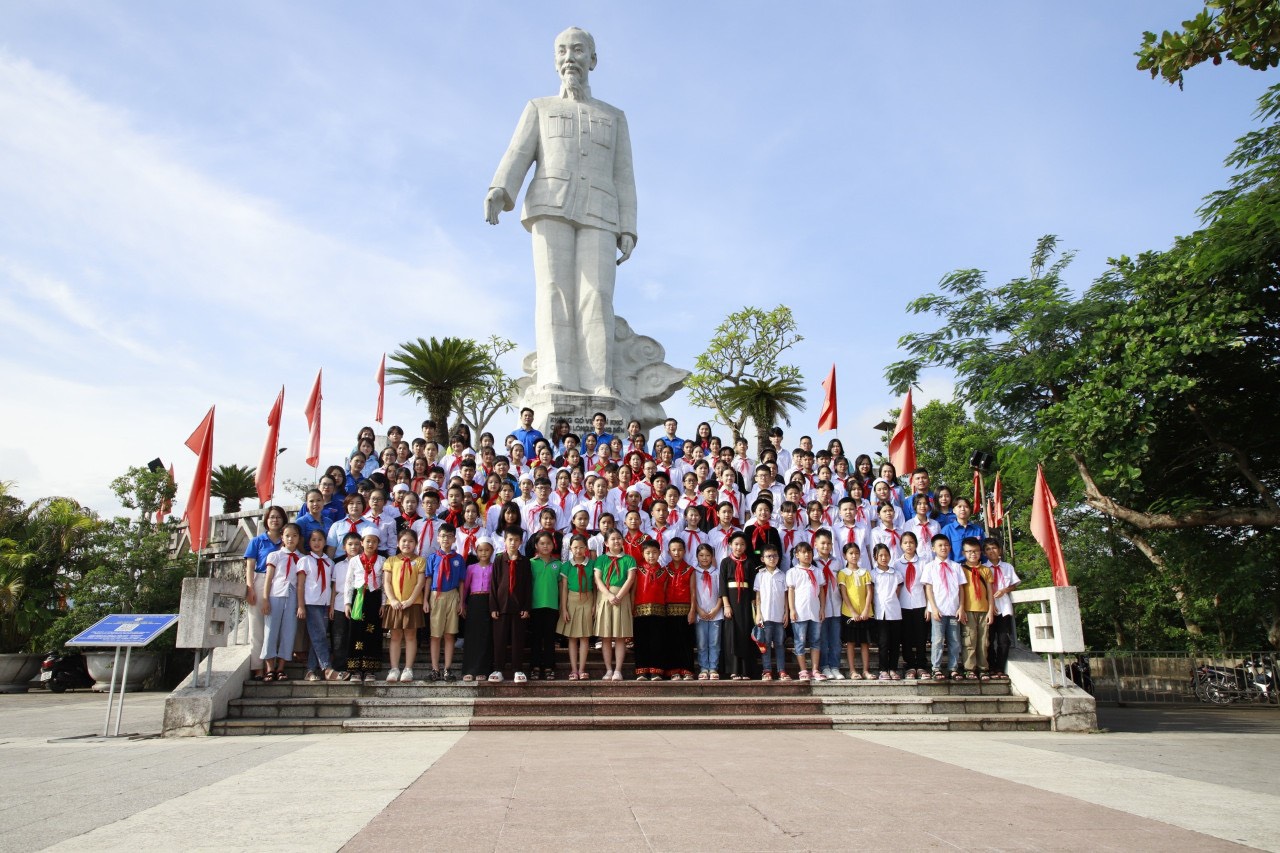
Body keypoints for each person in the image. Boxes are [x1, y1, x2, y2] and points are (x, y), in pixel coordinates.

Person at [485, 27, 637, 396]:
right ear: (555, 60)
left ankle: (599, 380)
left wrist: (629, 227)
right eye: (563, 51)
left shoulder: (613, 116)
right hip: (550, 203)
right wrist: (500, 188)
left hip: (601, 210)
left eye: (579, 50)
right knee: (553, 290)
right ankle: (556, 375)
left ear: (593, 60)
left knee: (597, 294)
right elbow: (518, 152)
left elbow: (624, 174)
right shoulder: (540, 107)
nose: (570, 57)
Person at [243, 505, 287, 681]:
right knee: (257, 628)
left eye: (278, 517)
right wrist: (250, 587)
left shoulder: (286, 541)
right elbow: (250, 566)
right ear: (266, 521)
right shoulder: (257, 541)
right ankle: (257, 667)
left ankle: (275, 667)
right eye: (271, 517)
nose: (275, 520)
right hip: (260, 581)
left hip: (281, 583)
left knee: (276, 627)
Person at [260, 522, 307, 683]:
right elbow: (269, 579)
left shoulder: (302, 558)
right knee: (271, 631)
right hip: (276, 594)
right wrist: (265, 598)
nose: (291, 539)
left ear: (299, 538)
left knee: (289, 631)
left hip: (292, 595)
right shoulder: (275, 555)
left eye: (294, 536)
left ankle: (281, 667)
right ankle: (269, 668)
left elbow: (301, 583)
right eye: (287, 535)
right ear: (282, 537)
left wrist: (300, 604)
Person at [299, 529, 345, 681]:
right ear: (309, 543)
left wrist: (331, 605)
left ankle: (310, 670)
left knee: (317, 637)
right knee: (319, 636)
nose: (317, 543)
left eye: (320, 540)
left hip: (325, 603)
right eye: (313, 540)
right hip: (311, 603)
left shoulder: (330, 562)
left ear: (325, 542)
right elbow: (300, 585)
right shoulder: (305, 561)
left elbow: (333, 587)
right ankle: (327, 668)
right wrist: (300, 605)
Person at [490, 527, 533, 683]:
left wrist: (526, 607)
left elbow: (528, 586)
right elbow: (493, 584)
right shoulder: (499, 559)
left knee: (518, 639)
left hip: (519, 607)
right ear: (505, 541)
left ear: (521, 542)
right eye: (510, 540)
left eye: (516, 540)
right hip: (500, 607)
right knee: (499, 639)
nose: (513, 543)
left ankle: (518, 669)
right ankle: (498, 669)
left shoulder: (525, 561)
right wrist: (493, 607)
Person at [424, 524, 466, 682]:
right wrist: (425, 600)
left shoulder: (458, 559)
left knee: (450, 634)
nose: (446, 539)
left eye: (449, 536)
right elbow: (428, 579)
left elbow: (462, 582)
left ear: (454, 538)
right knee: (435, 635)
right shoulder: (433, 557)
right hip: (436, 595)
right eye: (443, 536)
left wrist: (461, 602)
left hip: (452, 595)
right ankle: (435, 669)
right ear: (437, 538)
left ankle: (447, 669)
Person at [593, 529, 637, 680]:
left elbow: (630, 579)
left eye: (619, 538)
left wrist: (618, 595)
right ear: (606, 543)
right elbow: (598, 579)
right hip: (605, 597)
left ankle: (618, 670)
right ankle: (608, 669)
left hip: (622, 597)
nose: (616, 541)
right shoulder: (601, 559)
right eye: (613, 539)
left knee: (620, 636)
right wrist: (610, 595)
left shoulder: (629, 559)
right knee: (606, 636)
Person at [383, 529, 426, 683]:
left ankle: (408, 668)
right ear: (398, 543)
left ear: (416, 544)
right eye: (404, 541)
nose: (407, 544)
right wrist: (393, 600)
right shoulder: (391, 560)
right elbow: (387, 582)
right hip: (394, 604)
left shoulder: (420, 561)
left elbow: (420, 583)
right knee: (395, 636)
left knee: (410, 635)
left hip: (413, 603)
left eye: (411, 541)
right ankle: (394, 668)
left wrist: (410, 600)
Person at [923, 534, 967, 680]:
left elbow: (961, 589)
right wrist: (933, 608)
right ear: (933, 548)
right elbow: (928, 589)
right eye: (940, 545)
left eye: (946, 545)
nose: (943, 548)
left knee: (955, 641)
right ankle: (936, 668)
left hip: (954, 610)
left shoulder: (956, 566)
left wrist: (961, 607)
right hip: (938, 611)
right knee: (937, 640)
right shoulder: (929, 567)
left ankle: (953, 668)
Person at [344, 530, 386, 682]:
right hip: (359, 597)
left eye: (374, 541)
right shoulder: (354, 560)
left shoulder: (382, 560)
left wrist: (383, 603)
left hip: (374, 597)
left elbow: (384, 585)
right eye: (368, 541)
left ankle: (370, 669)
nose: (370, 544)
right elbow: (348, 582)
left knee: (373, 632)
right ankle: (355, 669)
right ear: (362, 542)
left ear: (377, 544)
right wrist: (347, 603)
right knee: (356, 632)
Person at [719, 532, 760, 681]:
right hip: (731, 601)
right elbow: (722, 585)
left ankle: (745, 670)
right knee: (732, 635)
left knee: (745, 634)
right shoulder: (725, 562)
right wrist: (726, 605)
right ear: (730, 545)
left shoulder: (749, 563)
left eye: (742, 544)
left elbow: (754, 587)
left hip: (746, 603)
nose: (739, 547)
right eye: (736, 544)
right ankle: (733, 670)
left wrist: (754, 605)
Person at [786, 537, 826, 681]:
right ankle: (803, 670)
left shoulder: (817, 571)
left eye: (809, 552)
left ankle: (815, 669)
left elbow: (821, 591)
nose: (807, 555)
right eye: (803, 552)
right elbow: (791, 591)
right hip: (800, 612)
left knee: (815, 640)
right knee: (800, 641)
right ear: (797, 555)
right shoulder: (792, 572)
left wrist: (822, 609)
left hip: (814, 611)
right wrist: (792, 609)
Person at [559, 534, 596, 680]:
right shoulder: (566, 566)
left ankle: (582, 669)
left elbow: (596, 587)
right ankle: (574, 669)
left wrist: (594, 605)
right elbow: (564, 590)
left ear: (586, 548)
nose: (578, 550)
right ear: (570, 548)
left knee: (585, 636)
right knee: (572, 637)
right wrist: (564, 609)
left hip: (588, 599)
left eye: (581, 547)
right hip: (572, 600)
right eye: (575, 547)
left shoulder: (592, 564)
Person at [528, 531, 564, 680]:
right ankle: (535, 667)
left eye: (548, 543)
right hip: (535, 606)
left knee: (549, 638)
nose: (545, 546)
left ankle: (549, 667)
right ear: (536, 545)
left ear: (553, 545)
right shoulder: (531, 563)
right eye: (542, 543)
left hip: (552, 606)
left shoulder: (558, 564)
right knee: (535, 638)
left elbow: (562, 587)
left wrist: (562, 606)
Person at [460, 535, 495, 683]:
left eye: (487, 550)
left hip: (488, 602)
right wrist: (462, 604)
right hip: (474, 602)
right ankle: (469, 669)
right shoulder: (471, 568)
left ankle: (483, 669)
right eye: (480, 550)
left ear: (492, 551)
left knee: (486, 636)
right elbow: (465, 587)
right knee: (472, 636)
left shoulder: (495, 567)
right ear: (476, 551)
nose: (483, 553)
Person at [895, 531, 930, 680]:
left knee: (921, 636)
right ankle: (909, 665)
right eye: (905, 543)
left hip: (920, 603)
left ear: (916, 544)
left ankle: (921, 665)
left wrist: (929, 606)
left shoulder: (923, 562)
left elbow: (927, 586)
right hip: (903, 604)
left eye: (911, 542)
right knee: (906, 636)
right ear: (901, 545)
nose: (908, 545)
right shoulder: (896, 564)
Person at [959, 537, 995, 680]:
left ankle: (983, 667)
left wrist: (991, 610)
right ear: (963, 553)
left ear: (980, 552)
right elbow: (960, 590)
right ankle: (969, 668)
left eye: (975, 551)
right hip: (968, 609)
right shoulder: (960, 569)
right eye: (969, 551)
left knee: (983, 641)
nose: (972, 554)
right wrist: (961, 608)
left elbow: (990, 592)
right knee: (969, 640)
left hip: (984, 609)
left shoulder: (986, 570)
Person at [984, 539, 1021, 680]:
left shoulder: (1007, 567)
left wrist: (1005, 590)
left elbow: (1014, 583)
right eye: (987, 549)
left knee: (1003, 640)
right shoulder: (983, 568)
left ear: (999, 550)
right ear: (984, 552)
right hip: (989, 608)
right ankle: (991, 666)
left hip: (1004, 607)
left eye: (993, 548)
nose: (991, 551)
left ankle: (1000, 667)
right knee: (988, 639)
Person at [632, 539, 667, 680]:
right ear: (642, 554)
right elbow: (633, 590)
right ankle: (641, 670)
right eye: (648, 553)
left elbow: (664, 591)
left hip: (658, 611)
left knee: (657, 641)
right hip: (640, 610)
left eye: (654, 552)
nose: (651, 556)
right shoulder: (637, 570)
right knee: (641, 641)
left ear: (659, 553)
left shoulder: (664, 572)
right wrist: (631, 607)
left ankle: (655, 671)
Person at [838, 542, 874, 680]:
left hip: (865, 613)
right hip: (849, 613)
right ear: (845, 556)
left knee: (865, 643)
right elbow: (844, 594)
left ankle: (865, 670)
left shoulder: (865, 572)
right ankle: (852, 670)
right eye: (851, 553)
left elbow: (869, 592)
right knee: (851, 642)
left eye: (856, 553)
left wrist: (866, 610)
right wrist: (853, 612)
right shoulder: (843, 573)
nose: (854, 556)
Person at [753, 544, 789, 681]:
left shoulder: (782, 575)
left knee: (779, 644)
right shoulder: (760, 575)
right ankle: (767, 670)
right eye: (768, 556)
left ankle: (781, 670)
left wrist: (786, 612)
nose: (772, 559)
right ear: (762, 559)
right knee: (765, 644)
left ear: (778, 558)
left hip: (779, 615)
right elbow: (758, 596)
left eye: (774, 556)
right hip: (765, 615)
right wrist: (758, 614)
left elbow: (786, 595)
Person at [812, 531, 844, 680]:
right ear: (815, 544)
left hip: (836, 605)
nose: (826, 546)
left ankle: (835, 666)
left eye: (828, 543)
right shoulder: (813, 562)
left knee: (836, 639)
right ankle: (824, 666)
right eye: (822, 543)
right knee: (823, 639)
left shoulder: (837, 562)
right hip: (820, 607)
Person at [870, 543, 904, 680]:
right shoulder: (872, 574)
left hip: (895, 612)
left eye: (886, 555)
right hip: (880, 612)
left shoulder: (896, 573)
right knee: (883, 643)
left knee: (895, 643)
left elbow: (898, 591)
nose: (884, 558)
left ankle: (893, 669)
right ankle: (883, 669)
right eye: (881, 555)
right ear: (875, 557)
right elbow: (871, 593)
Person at [663, 537, 695, 681]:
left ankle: (687, 669)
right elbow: (663, 591)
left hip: (685, 610)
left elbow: (693, 592)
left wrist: (692, 610)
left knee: (686, 641)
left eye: (680, 549)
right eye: (674, 550)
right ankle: (673, 671)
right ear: (669, 552)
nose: (677, 553)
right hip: (669, 610)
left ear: (685, 551)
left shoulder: (690, 569)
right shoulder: (665, 570)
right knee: (671, 641)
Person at [329, 532, 359, 677]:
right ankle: (340, 666)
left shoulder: (363, 564)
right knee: (339, 636)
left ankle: (354, 666)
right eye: (350, 544)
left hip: (358, 603)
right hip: (340, 604)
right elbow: (334, 587)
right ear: (344, 547)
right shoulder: (339, 565)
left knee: (355, 635)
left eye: (357, 544)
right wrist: (331, 605)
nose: (353, 547)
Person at [942, 497, 984, 561]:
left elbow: (983, 551)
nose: (963, 509)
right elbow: (944, 553)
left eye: (966, 507)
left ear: (970, 510)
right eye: (959, 506)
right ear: (953, 510)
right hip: (955, 568)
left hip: (975, 567)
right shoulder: (947, 530)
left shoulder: (978, 530)